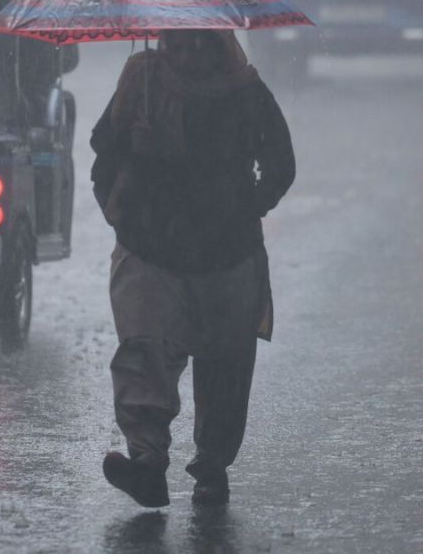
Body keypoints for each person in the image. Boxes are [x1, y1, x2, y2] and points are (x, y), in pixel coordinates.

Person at [90, 28, 295, 507]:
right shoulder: (140, 84)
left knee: (225, 363)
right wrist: (134, 157)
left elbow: (280, 163)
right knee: (144, 352)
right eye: (175, 46)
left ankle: (212, 464)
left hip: (225, 253)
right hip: (151, 246)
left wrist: (243, 205)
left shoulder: (244, 92)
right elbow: (106, 155)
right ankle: (146, 462)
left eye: (196, 46)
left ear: (216, 45)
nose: (185, 57)